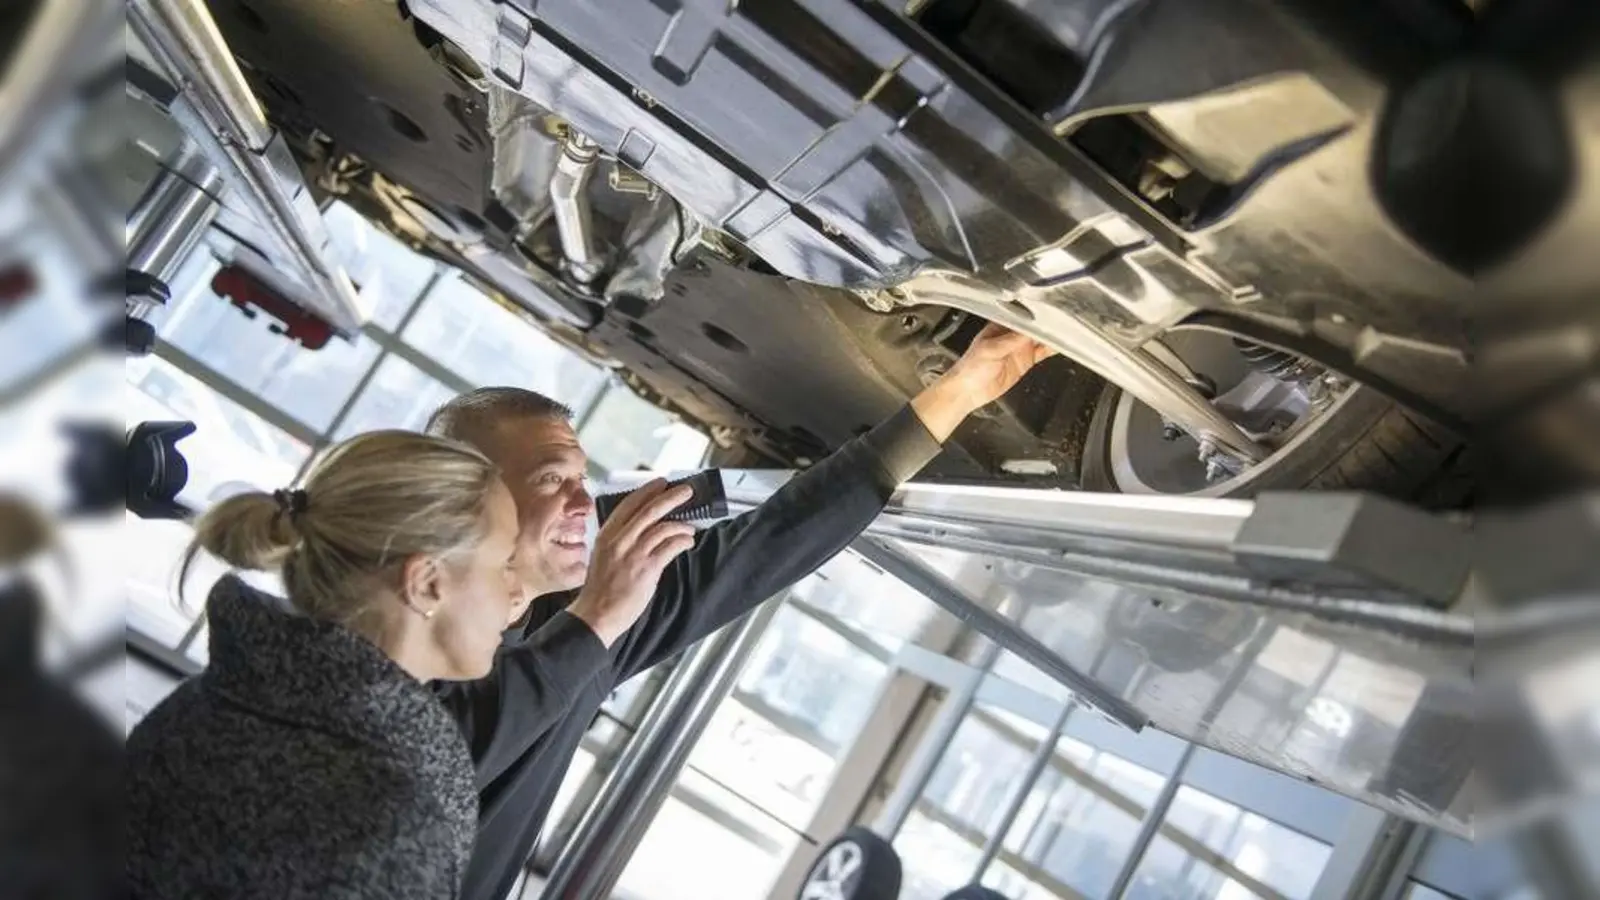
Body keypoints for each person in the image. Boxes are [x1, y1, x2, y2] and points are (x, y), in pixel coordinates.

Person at [424, 323, 1054, 900]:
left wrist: (961, 391)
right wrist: (597, 619)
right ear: (464, 496)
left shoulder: (581, 624)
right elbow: (447, 751)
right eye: (549, 480)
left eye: (582, 481)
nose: (582, 505)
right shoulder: (400, 653)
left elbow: (767, 544)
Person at [126, 431, 539, 899]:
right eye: (505, 563)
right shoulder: (380, 822)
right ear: (426, 583)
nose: (515, 591)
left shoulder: (208, 704)